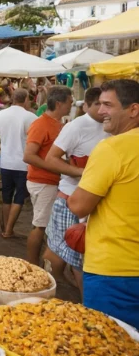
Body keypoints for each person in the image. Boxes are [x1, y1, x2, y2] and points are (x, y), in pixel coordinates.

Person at [67, 79, 139, 329]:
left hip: (114, 270)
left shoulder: (112, 148)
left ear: (133, 109)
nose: (101, 111)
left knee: (110, 348)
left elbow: (79, 205)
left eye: (108, 105)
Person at [44, 87, 108, 291]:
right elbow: (50, 158)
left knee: (77, 256)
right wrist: (81, 172)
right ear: (88, 105)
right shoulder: (77, 127)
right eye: (100, 104)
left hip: (97, 202)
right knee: (68, 254)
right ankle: (48, 289)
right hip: (70, 199)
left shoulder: (114, 127)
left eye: (108, 104)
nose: (104, 109)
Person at [23, 86, 73, 267]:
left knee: (44, 224)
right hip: (43, 181)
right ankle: (33, 265)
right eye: (70, 102)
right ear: (59, 103)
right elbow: (28, 156)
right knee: (40, 225)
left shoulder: (56, 123)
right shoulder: (41, 123)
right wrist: (55, 166)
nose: (72, 104)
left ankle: (39, 264)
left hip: (49, 181)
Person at [0, 88, 37, 238]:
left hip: (6, 162)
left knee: (6, 196)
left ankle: (5, 228)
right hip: (23, 163)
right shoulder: (30, 117)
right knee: (19, 197)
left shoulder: (1, 114)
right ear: (25, 100)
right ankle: (9, 229)